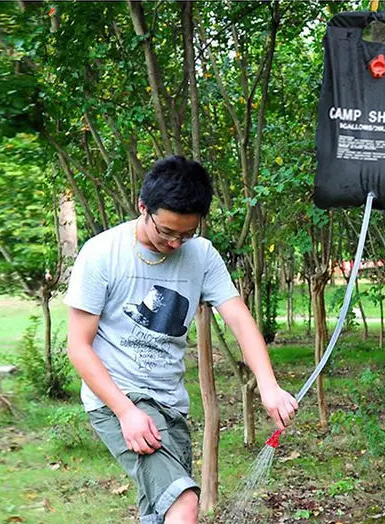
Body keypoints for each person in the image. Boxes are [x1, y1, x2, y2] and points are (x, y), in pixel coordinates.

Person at [65, 155, 298, 524]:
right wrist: (126, 412)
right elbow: (78, 346)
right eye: (166, 232)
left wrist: (268, 387)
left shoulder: (202, 255)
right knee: (184, 504)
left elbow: (237, 317)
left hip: (171, 403)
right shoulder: (101, 254)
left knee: (158, 512)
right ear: (143, 207)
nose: (175, 244)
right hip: (116, 398)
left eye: (185, 234)